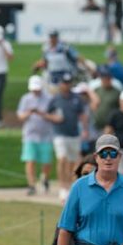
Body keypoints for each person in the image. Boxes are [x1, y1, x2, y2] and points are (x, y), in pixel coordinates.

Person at [44, 73, 89, 202]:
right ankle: (62, 187)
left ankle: (69, 187)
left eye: (68, 83)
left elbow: (82, 115)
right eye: (64, 83)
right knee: (62, 159)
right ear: (61, 84)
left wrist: (85, 129)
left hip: (74, 133)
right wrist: (55, 118)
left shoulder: (76, 98)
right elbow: (47, 114)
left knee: (73, 161)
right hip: (59, 133)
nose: (66, 85)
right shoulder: (56, 99)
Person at [16, 76, 53, 195]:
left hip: (46, 135)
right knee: (30, 160)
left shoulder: (49, 98)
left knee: (46, 161)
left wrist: (41, 113)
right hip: (30, 135)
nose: (36, 91)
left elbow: (54, 116)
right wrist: (29, 112)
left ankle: (45, 178)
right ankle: (31, 185)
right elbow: (20, 116)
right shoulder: (25, 99)